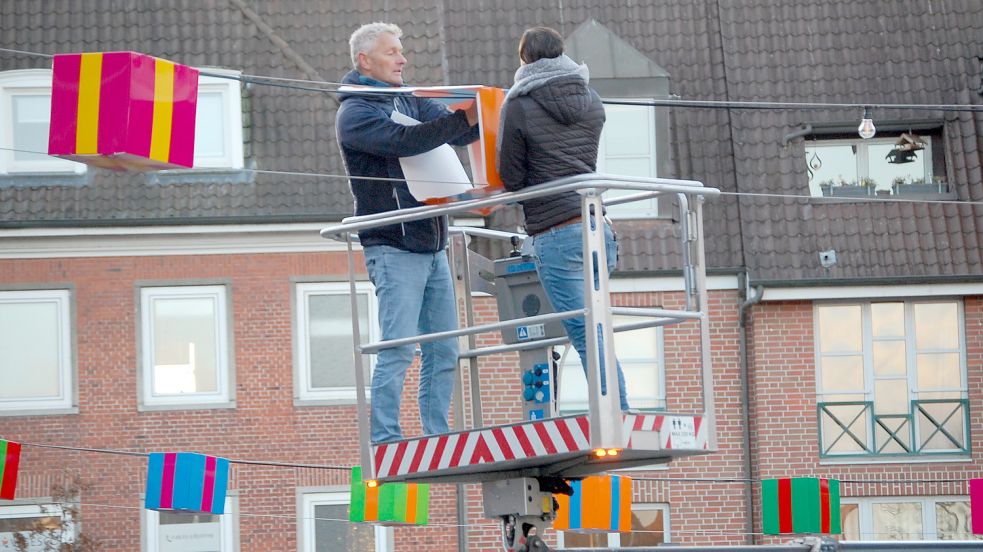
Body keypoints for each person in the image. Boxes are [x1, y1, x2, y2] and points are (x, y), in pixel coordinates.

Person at [336, 22, 479, 443]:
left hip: (433, 243)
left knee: (445, 349)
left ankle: (437, 434)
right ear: (365, 61)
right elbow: (407, 140)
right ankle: (385, 438)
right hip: (394, 246)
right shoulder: (355, 114)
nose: (403, 59)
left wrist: (484, 113)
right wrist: (459, 121)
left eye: (401, 51)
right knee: (398, 346)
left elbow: (457, 131)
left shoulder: (409, 98)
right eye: (392, 52)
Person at [497, 26, 629, 410]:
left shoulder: (518, 104)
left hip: (554, 230)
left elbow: (512, 176)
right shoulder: (591, 99)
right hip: (596, 226)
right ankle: (617, 407)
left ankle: (614, 413)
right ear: (562, 54)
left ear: (525, 60)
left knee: (585, 332)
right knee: (597, 327)